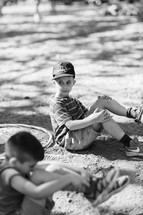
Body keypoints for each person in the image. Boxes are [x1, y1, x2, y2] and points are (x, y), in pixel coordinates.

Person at [0, 131, 129, 215]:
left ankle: (93, 187)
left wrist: (80, 173)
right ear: (13, 161)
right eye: (30, 166)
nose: (33, 168)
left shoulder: (17, 164)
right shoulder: (8, 174)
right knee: (39, 175)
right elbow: (35, 192)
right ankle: (92, 190)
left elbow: (52, 165)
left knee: (51, 168)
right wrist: (67, 179)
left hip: (25, 208)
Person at [50, 61, 143, 157]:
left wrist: (100, 103)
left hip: (78, 132)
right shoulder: (57, 103)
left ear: (74, 82)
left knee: (103, 102)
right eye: (60, 82)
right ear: (54, 83)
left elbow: (86, 114)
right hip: (70, 141)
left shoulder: (72, 100)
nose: (64, 86)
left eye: (68, 82)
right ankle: (130, 144)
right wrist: (95, 118)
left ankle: (136, 113)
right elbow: (70, 125)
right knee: (101, 115)